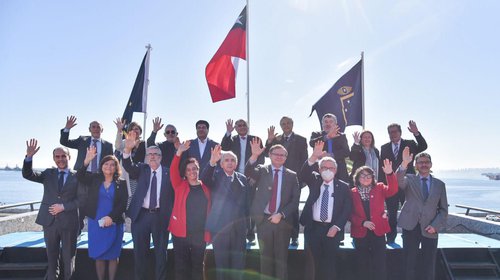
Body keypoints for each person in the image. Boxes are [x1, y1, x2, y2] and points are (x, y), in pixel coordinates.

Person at [22, 139, 82, 280]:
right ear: (54, 159)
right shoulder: (48, 174)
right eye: (57, 156)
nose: (60, 159)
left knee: (69, 260)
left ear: (69, 157)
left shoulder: (78, 176)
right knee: (52, 260)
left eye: (63, 156)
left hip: (69, 223)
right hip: (50, 223)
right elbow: (28, 174)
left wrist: (64, 207)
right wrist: (29, 157)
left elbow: (82, 200)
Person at [245, 138, 300, 280]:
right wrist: (254, 156)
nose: (279, 157)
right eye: (276, 154)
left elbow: (295, 201)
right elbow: (248, 172)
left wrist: (281, 214)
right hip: (263, 220)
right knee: (265, 259)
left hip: (282, 222)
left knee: (281, 260)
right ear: (270, 154)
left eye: (283, 155)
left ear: (286, 158)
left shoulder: (292, 175)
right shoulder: (262, 170)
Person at [122, 135, 174, 280]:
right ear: (146, 157)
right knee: (140, 254)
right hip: (141, 217)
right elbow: (128, 166)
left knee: (161, 254)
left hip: (161, 217)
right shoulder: (141, 169)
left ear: (161, 157)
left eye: (156, 154)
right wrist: (127, 149)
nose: (152, 157)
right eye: (149, 154)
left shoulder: (168, 172)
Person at [299, 141, 352, 280]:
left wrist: (337, 226)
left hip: (332, 230)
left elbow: (347, 209)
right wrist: (313, 156)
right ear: (319, 168)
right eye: (324, 167)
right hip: (313, 228)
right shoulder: (314, 180)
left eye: (331, 168)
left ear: (336, 170)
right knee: (311, 265)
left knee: (330, 264)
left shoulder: (344, 187)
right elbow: (303, 173)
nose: (327, 170)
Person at [76, 147, 128, 280]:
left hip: (114, 222)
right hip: (96, 222)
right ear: (101, 166)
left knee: (112, 255)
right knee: (99, 255)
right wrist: (86, 161)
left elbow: (123, 203)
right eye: (106, 164)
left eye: (112, 164)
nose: (109, 166)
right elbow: (80, 176)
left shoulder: (121, 183)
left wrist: (111, 217)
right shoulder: (94, 179)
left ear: (116, 167)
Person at [397, 147, 448, 280]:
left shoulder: (440, 185)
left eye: (426, 162)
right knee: (409, 262)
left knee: (428, 263)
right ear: (416, 165)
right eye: (420, 162)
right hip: (410, 226)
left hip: (430, 228)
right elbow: (397, 181)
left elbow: (443, 209)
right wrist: (403, 164)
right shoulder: (409, 179)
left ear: (430, 164)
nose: (423, 164)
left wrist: (435, 226)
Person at [201, 145, 249, 280]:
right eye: (226, 160)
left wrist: (247, 227)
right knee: (222, 266)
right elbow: (204, 179)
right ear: (221, 164)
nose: (229, 162)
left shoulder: (242, 179)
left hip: (239, 230)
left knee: (238, 266)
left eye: (232, 160)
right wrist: (211, 162)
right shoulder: (215, 177)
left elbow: (246, 205)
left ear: (236, 163)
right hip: (220, 230)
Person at [169, 140, 211, 280]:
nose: (192, 171)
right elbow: (173, 169)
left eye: (194, 169)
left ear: (198, 170)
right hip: (181, 234)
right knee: (181, 267)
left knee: (198, 266)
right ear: (185, 173)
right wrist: (179, 152)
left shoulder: (206, 188)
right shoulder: (179, 185)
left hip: (199, 235)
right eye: (188, 170)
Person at [380, 120, 427, 244]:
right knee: (391, 212)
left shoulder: (410, 144)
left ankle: (409, 237)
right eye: (390, 132)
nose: (393, 134)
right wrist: (382, 185)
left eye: (395, 131)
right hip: (391, 185)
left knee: (410, 211)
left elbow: (423, 147)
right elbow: (382, 167)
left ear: (400, 132)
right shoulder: (384, 147)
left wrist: (416, 133)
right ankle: (390, 238)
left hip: (407, 183)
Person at [350, 160, 397, 280]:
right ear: (357, 177)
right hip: (360, 233)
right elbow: (348, 214)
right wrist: (362, 222)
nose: (366, 178)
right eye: (363, 175)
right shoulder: (351, 193)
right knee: (362, 265)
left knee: (380, 265)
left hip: (378, 232)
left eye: (368, 176)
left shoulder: (380, 187)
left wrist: (390, 173)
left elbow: (393, 189)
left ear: (373, 178)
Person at [265, 116, 308, 246]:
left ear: (292, 124)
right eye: (283, 124)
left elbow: (304, 160)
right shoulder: (277, 139)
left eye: (288, 123)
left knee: (293, 208)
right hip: (278, 178)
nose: (286, 125)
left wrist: (301, 180)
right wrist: (269, 140)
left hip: (294, 179)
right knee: (280, 206)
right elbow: (268, 153)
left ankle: (294, 236)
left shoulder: (301, 139)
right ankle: (281, 234)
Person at [220, 118, 263, 245]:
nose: (242, 127)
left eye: (244, 125)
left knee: (251, 206)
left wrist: (254, 176)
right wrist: (228, 133)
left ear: (247, 126)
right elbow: (223, 148)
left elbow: (261, 161)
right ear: (236, 128)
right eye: (239, 125)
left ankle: (250, 234)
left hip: (250, 179)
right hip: (234, 178)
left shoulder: (256, 139)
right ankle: (234, 232)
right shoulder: (231, 139)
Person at [114, 118, 146, 206]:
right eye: (132, 129)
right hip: (126, 176)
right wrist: (119, 130)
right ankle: (126, 218)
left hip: (140, 176)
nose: (134, 131)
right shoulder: (125, 142)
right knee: (127, 198)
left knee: (137, 200)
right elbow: (117, 146)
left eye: (136, 129)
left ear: (140, 131)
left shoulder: (145, 144)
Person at [309, 113, 350, 182]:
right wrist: (327, 136)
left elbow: (346, 152)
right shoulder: (316, 134)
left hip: (339, 171)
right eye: (325, 122)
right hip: (321, 170)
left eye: (331, 122)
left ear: (335, 124)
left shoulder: (341, 136)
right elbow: (312, 143)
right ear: (322, 124)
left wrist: (331, 155)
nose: (328, 124)